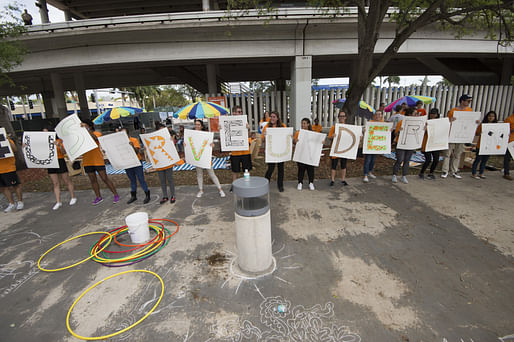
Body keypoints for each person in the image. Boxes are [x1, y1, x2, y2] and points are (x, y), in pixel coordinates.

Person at [81, 121, 119, 205]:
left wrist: (87, 129)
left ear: (90, 126)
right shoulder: (81, 136)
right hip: (87, 161)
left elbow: (95, 138)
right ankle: (98, 197)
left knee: (104, 178)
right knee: (93, 180)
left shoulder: (97, 133)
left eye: (85, 125)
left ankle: (115, 194)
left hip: (97, 160)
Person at [441, 94, 475, 179]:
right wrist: (450, 120)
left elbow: (471, 122)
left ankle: (454, 170)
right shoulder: (453, 110)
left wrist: (476, 122)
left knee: (458, 154)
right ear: (462, 101)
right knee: (447, 153)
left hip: (462, 135)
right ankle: (445, 170)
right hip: (452, 134)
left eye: (470, 101)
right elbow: (447, 121)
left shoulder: (469, 110)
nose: (469, 102)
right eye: (467, 101)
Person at [44, 126, 77, 210]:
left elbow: (64, 152)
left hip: (60, 160)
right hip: (50, 162)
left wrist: (59, 146)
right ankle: (58, 201)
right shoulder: (43, 143)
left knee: (66, 180)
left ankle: (73, 197)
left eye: (47, 132)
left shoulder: (59, 141)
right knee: (55, 183)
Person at [193, 119, 225, 198]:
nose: (197, 126)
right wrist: (185, 143)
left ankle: (220, 189)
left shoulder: (206, 134)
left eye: (198, 125)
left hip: (206, 157)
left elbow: (210, 146)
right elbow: (190, 145)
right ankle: (201, 190)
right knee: (199, 174)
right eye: (196, 124)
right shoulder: (192, 134)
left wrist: (212, 145)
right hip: (197, 157)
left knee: (212, 174)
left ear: (202, 126)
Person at [121, 128, 150, 204]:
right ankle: (133, 196)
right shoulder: (120, 143)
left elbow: (137, 152)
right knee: (132, 179)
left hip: (136, 162)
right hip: (127, 162)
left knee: (141, 179)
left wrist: (132, 146)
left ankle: (147, 194)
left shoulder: (133, 140)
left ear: (128, 134)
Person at [262, 111, 287, 192]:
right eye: (271, 116)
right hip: (271, 152)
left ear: (277, 118)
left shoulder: (282, 126)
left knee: (281, 169)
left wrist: (289, 135)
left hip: (280, 151)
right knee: (270, 168)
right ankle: (265, 183)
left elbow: (287, 136)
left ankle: (280, 185)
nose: (272, 118)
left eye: (274, 117)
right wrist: (265, 135)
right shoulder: (267, 126)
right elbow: (262, 139)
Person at [392, 107, 417, 184]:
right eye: (414, 114)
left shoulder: (416, 122)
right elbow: (395, 133)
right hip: (401, 143)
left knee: (407, 160)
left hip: (410, 144)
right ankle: (394, 175)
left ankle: (404, 176)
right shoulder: (402, 122)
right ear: (410, 114)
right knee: (400, 159)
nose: (416, 115)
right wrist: (399, 131)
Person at [153, 122, 176, 204]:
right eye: (161, 130)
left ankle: (173, 195)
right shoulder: (153, 140)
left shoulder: (168, 138)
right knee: (162, 180)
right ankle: (165, 196)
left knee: (170, 179)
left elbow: (172, 149)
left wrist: (171, 141)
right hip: (159, 164)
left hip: (168, 162)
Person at [1, 131, 24, 212]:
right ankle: (11, 203)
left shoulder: (6, 140)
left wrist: (7, 140)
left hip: (9, 168)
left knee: (16, 185)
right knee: (3, 187)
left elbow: (15, 149)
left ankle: (20, 202)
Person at [471, 111, 498, 179]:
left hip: (489, 145)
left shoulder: (496, 126)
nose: (491, 117)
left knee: (485, 160)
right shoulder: (482, 125)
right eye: (489, 116)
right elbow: (477, 133)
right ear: (487, 117)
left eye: (492, 116)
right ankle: (474, 173)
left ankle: (481, 173)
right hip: (480, 145)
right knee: (478, 159)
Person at [230, 108, 252, 186]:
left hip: (245, 151)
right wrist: (221, 129)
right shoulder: (228, 122)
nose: (238, 113)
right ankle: (234, 186)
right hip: (235, 152)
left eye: (240, 112)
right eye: (236, 112)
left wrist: (248, 129)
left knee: (247, 170)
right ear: (233, 113)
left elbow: (249, 136)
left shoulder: (245, 122)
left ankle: (247, 185)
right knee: (235, 171)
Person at [327, 110, 349, 186]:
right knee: (334, 165)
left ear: (345, 117)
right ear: (338, 118)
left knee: (344, 165)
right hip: (335, 149)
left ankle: (343, 179)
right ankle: (332, 180)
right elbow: (329, 137)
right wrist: (332, 136)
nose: (342, 118)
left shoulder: (348, 127)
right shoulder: (334, 127)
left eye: (343, 116)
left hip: (344, 150)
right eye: (340, 116)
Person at [419, 108, 442, 180]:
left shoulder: (439, 122)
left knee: (436, 160)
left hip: (435, 143)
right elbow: (422, 131)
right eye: (432, 114)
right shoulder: (426, 122)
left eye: (434, 114)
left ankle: (431, 173)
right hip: (427, 143)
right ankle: (422, 172)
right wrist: (425, 127)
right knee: (428, 159)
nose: (433, 115)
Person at [294, 118, 316, 190]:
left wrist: (322, 142)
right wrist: (295, 141)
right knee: (301, 169)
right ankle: (300, 183)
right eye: (302, 123)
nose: (302, 125)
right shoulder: (298, 132)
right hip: (301, 154)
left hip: (310, 154)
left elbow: (316, 142)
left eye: (304, 123)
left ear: (308, 124)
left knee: (310, 169)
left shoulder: (312, 133)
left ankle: (311, 183)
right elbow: (294, 141)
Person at [362, 110, 384, 183]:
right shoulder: (370, 123)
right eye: (376, 114)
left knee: (373, 160)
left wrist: (389, 131)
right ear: (374, 115)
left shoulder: (383, 124)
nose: (378, 116)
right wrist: (364, 130)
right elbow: (365, 131)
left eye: (379, 114)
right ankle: (365, 175)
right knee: (368, 160)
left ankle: (370, 172)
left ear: (381, 116)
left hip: (377, 145)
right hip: (370, 144)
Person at [503, 112, 514, 181]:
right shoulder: (509, 119)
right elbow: (505, 129)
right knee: (507, 158)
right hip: (510, 141)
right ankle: (506, 173)